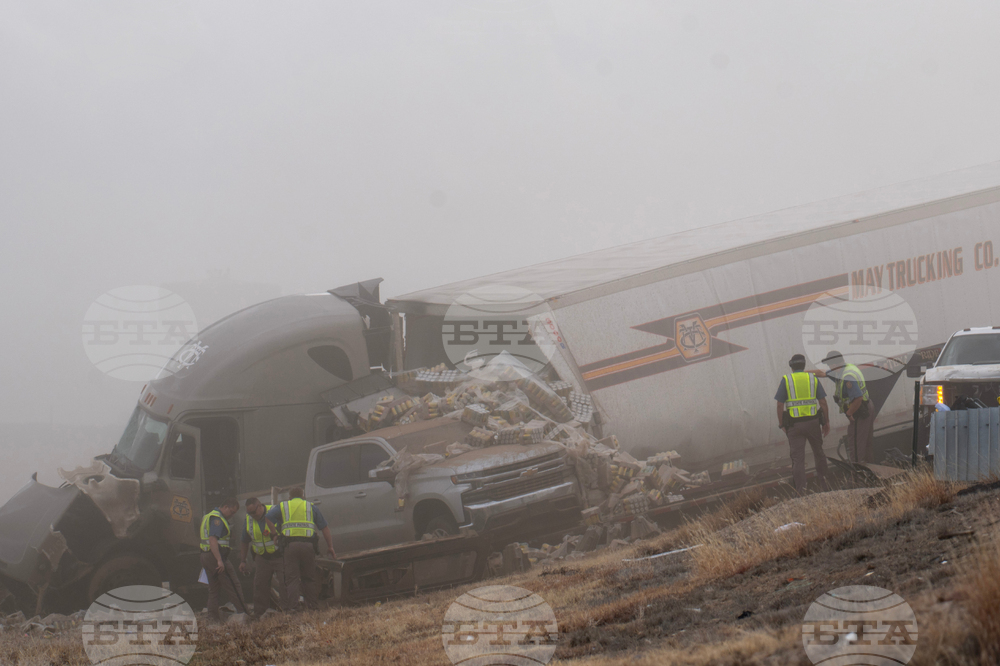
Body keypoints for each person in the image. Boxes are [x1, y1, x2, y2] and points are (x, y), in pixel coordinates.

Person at [265, 487, 336, 612]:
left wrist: (274, 533)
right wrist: (330, 547)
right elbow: (324, 528)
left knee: (292, 579)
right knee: (309, 578)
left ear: (289, 497)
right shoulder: (310, 507)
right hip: (308, 546)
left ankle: (294, 609)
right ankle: (313, 608)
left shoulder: (283, 506)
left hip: (290, 546)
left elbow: (268, 517)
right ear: (303, 496)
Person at [775, 353, 831, 493]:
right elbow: (823, 402)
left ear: (791, 366)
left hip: (794, 426)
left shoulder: (786, 380)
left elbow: (780, 405)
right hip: (813, 423)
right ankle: (826, 487)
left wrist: (782, 424)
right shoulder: (812, 378)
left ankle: (801, 493)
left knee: (798, 460)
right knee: (819, 453)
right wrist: (826, 422)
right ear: (804, 365)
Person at [819, 350, 875, 463]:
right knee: (865, 443)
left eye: (830, 365)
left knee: (855, 443)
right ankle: (871, 472)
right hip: (866, 406)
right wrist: (804, 372)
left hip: (860, 411)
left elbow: (858, 398)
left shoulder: (847, 376)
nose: (829, 367)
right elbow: (823, 373)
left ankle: (859, 473)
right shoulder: (844, 370)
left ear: (834, 365)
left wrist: (849, 413)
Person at [199, 498, 248, 622]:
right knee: (233, 584)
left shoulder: (208, 516)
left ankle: (212, 618)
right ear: (225, 507)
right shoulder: (217, 519)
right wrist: (219, 560)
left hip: (205, 556)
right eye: (231, 512)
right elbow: (213, 539)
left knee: (214, 588)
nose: (232, 515)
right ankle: (244, 613)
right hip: (216, 556)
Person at [239, 498, 286, 617]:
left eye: (253, 512)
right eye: (249, 513)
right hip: (262, 557)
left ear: (260, 506)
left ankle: (288, 610)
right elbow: (244, 541)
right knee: (260, 585)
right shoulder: (249, 520)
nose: (252, 515)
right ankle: (260, 613)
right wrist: (243, 560)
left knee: (285, 582)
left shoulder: (274, 512)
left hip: (279, 555)